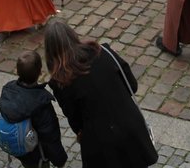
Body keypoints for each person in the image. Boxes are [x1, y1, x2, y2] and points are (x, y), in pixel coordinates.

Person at [43, 19, 157, 168]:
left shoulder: (60, 82)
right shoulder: (104, 52)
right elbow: (132, 86)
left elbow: (75, 119)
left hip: (101, 143)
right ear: (73, 36)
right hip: (131, 129)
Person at [0, 51, 68, 168]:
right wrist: (60, 159)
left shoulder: (8, 89)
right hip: (35, 153)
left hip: (18, 147)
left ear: (17, 71)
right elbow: (50, 135)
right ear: (40, 73)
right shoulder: (41, 101)